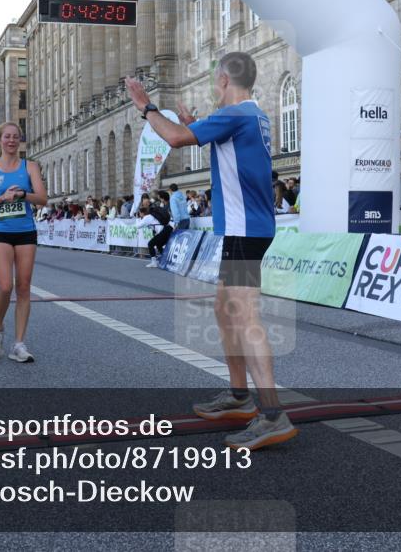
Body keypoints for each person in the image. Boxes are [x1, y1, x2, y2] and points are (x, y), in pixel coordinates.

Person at [125, 51, 297, 450]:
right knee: (225, 309)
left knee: (245, 316)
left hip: (244, 231)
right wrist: (192, 125)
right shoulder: (251, 114)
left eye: (214, 81)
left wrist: (146, 107)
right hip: (248, 228)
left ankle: (273, 414)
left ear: (223, 79)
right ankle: (239, 397)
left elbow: (173, 139)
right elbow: (219, 147)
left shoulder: (236, 113)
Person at [0, 122, 48, 364]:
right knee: (5, 286)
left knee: (24, 287)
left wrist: (22, 195)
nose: (11, 141)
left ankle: (19, 344)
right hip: (1, 230)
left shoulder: (30, 167)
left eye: (15, 137)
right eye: (7, 137)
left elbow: (42, 199)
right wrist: (2, 198)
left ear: (20, 141)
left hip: (26, 230)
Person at [137, 196, 172, 267]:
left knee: (150, 244)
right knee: (159, 245)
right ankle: (165, 259)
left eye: (140, 213)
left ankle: (154, 262)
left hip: (164, 231)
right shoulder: (151, 215)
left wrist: (139, 218)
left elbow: (138, 226)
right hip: (167, 229)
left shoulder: (147, 217)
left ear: (142, 213)